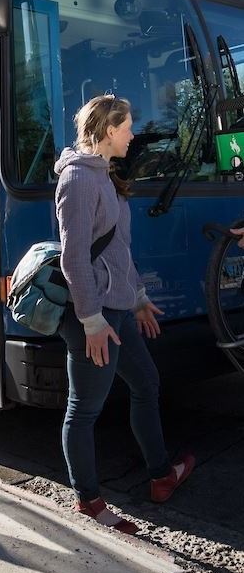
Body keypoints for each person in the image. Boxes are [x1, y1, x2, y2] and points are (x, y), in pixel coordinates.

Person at [54, 94, 194, 534]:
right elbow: (74, 257)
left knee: (146, 382)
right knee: (84, 409)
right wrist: (92, 321)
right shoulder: (77, 179)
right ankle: (89, 500)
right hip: (94, 318)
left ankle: (160, 476)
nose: (134, 134)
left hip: (116, 310)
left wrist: (136, 298)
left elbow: (116, 249)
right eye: (128, 126)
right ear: (109, 129)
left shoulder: (104, 175)